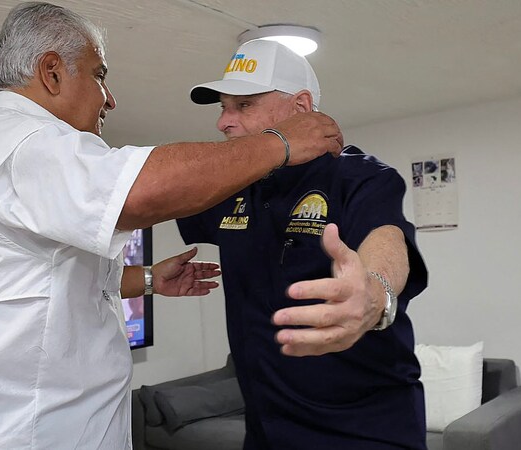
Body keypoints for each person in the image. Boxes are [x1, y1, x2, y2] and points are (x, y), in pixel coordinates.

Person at [0, 2, 343, 449]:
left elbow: (42, 284)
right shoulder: (24, 144)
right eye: (99, 74)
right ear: (52, 72)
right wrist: (281, 142)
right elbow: (142, 191)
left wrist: (148, 279)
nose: (109, 98)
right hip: (9, 434)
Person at [177, 39, 429, 449]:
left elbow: (386, 238)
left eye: (243, 105)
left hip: (366, 431)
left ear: (300, 107)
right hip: (265, 430)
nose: (224, 121)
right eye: (223, 107)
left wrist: (374, 289)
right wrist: (145, 278)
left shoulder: (360, 176)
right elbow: (150, 200)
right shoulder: (236, 188)